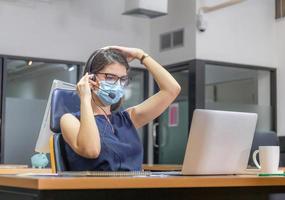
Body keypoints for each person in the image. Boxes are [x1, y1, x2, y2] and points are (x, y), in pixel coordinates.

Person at [60, 46, 181, 171]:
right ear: (90, 78)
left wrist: (141, 55)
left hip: (136, 187)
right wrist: (85, 98)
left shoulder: (127, 119)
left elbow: (172, 90)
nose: (117, 85)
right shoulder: (70, 120)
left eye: (122, 79)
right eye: (110, 77)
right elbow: (92, 150)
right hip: (101, 189)